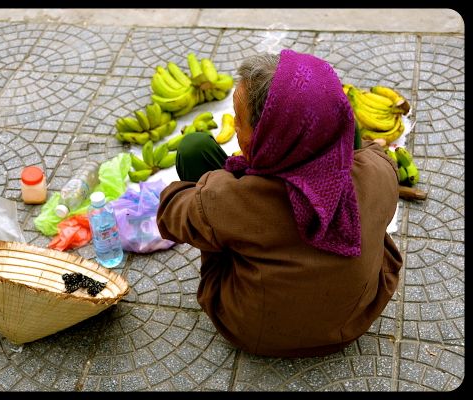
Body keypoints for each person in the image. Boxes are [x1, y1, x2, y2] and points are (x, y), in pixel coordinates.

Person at [156, 49, 403, 358]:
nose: (233, 129)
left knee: (195, 149)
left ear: (269, 137)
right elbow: (351, 144)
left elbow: (170, 214)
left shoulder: (229, 199)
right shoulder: (379, 170)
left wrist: (208, 188)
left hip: (255, 330)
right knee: (345, 128)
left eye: (240, 122)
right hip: (355, 319)